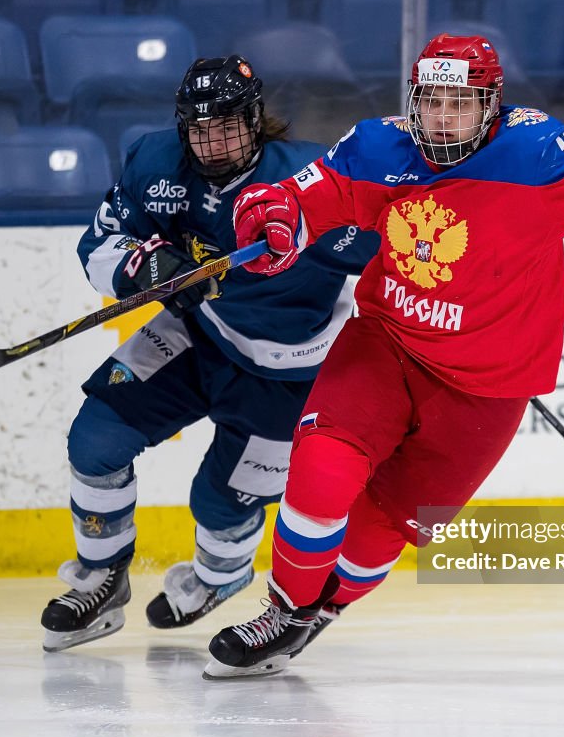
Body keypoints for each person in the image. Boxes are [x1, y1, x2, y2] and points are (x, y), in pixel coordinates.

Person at [203, 33, 564, 678]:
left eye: (461, 103)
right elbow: (305, 195)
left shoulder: (538, 154)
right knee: (319, 477)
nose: (443, 117)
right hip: (387, 346)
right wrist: (276, 216)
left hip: (488, 389)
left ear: (492, 105)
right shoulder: (378, 145)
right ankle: (284, 609)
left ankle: (319, 614)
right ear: (412, 102)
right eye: (431, 102)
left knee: (383, 532)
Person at [39, 55, 379, 652]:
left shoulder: (315, 175)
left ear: (255, 121)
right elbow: (100, 242)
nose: (212, 142)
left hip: (291, 377)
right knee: (94, 443)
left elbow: (401, 256)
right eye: (199, 128)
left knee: (220, 505)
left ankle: (219, 579)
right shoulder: (154, 161)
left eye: (227, 126)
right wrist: (147, 266)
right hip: (200, 335)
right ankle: (101, 576)